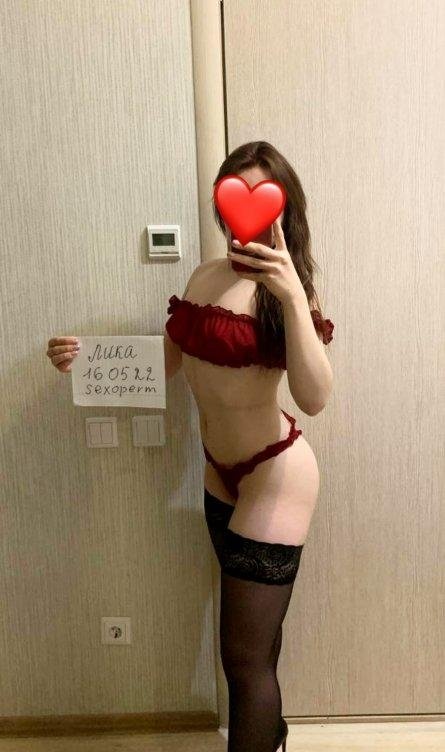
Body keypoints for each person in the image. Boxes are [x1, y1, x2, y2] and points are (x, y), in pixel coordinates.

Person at [47, 140, 334, 752]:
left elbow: (314, 398)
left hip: (276, 473)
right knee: (257, 647)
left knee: (242, 660)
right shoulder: (204, 275)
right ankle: (273, 735)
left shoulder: (290, 293)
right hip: (216, 472)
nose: (243, 215)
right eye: (232, 199)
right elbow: (167, 363)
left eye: (260, 199)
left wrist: (291, 296)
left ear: (283, 210)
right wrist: (84, 360)